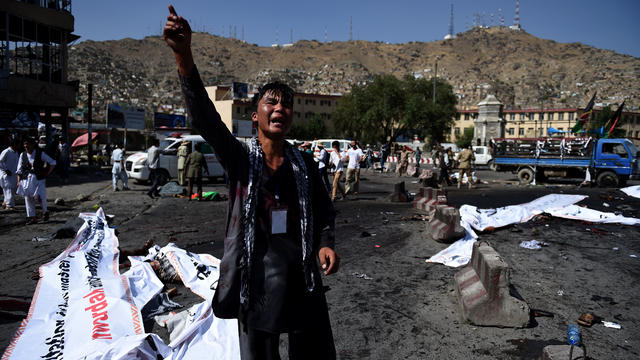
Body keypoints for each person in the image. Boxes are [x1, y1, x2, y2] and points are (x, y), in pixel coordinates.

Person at [164, 6, 339, 359]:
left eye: (286, 104)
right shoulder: (241, 158)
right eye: (271, 102)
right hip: (256, 280)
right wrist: (184, 56)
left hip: (302, 276)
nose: (280, 109)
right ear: (255, 113)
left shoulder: (304, 163)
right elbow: (205, 118)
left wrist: (325, 243)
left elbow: (324, 209)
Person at [16, 137, 56, 224]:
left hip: (39, 179)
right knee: (28, 197)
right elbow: (19, 169)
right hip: (26, 179)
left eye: (28, 144)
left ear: (33, 144)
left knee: (40, 196)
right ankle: (32, 217)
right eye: (25, 144)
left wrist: (47, 173)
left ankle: (45, 211)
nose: (26, 146)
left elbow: (52, 162)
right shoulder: (22, 155)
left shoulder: (40, 153)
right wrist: (18, 181)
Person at [0, 136, 21, 210]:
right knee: (9, 189)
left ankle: (5, 202)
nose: (19, 146)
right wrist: (6, 170)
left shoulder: (16, 152)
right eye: (18, 144)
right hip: (6, 174)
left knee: (11, 190)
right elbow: (0, 161)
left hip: (13, 174)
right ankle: (9, 206)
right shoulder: (6, 151)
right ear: (15, 144)